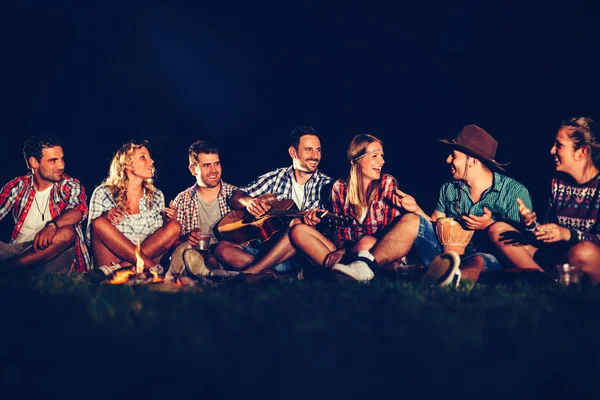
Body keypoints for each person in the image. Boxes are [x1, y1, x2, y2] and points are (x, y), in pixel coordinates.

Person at [331, 124, 533, 284]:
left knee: (479, 260)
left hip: (488, 256)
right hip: (445, 252)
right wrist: (416, 209)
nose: (447, 160)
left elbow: (526, 245)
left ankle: (450, 281)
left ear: (472, 160)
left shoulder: (513, 192)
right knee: (411, 219)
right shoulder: (449, 188)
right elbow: (436, 225)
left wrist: (488, 226)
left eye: (453, 155)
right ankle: (365, 268)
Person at [489, 117, 600, 284]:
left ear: (581, 152)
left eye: (559, 145)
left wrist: (567, 234)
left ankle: (542, 279)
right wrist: (531, 225)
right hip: (557, 258)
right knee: (498, 230)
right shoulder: (556, 183)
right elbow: (548, 235)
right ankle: (545, 282)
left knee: (583, 252)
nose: (551, 151)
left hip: (586, 260)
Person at [213, 126, 332, 275]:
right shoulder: (276, 177)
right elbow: (234, 197)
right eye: (309, 149)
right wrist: (248, 201)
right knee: (221, 249)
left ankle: (250, 274)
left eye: (318, 150)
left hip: (302, 256)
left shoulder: (327, 186)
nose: (315, 156)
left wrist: (315, 223)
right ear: (293, 152)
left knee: (297, 225)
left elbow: (330, 231)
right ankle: (276, 276)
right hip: (269, 252)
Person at [289, 134, 403, 279]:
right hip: (347, 250)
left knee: (365, 242)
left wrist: (344, 252)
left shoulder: (387, 183)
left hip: (374, 251)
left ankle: (328, 272)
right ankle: (342, 272)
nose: (382, 161)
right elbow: (341, 233)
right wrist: (341, 249)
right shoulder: (340, 188)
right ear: (357, 159)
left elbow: (388, 235)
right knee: (298, 230)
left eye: (382, 155)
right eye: (375, 156)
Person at [86, 140, 180, 277]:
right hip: (111, 259)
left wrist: (167, 221)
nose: (151, 161)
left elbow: (158, 241)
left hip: (124, 265)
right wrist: (106, 218)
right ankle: (152, 268)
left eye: (149, 157)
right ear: (127, 165)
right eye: (143, 157)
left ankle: (121, 269)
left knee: (174, 226)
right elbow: (90, 238)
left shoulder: (157, 196)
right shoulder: (103, 193)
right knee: (98, 223)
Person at [0, 134, 91, 273]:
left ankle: (8, 270)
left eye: (61, 159)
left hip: (53, 253)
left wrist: (52, 226)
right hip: (19, 250)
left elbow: (78, 210)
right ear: (34, 162)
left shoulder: (70, 185)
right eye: (53, 160)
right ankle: (19, 268)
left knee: (67, 232)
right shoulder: (17, 186)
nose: (61, 165)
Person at [163, 140, 238, 279]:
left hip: (226, 256)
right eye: (206, 165)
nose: (214, 170)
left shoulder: (234, 194)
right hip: (195, 256)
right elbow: (173, 242)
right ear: (193, 169)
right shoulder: (182, 199)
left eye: (216, 163)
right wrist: (186, 238)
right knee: (185, 253)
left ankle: (211, 271)